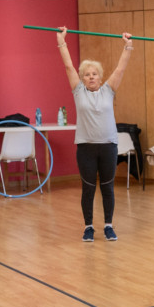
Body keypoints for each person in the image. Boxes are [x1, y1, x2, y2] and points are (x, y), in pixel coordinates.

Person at [57, 25, 133, 241]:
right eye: (87, 74)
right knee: (88, 188)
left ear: (100, 77)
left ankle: (108, 225)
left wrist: (128, 47)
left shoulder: (108, 90)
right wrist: (61, 41)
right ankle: (88, 227)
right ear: (82, 78)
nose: (91, 77)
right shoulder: (78, 91)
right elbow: (68, 66)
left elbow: (119, 70)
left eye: (94, 74)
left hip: (108, 146)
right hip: (86, 148)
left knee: (108, 188)